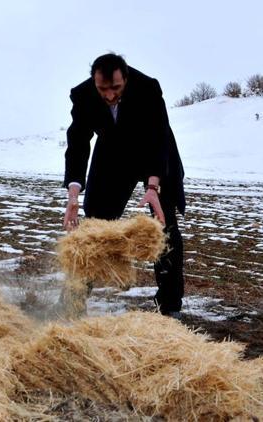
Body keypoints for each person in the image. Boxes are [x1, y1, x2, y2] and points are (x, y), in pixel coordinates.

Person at [62, 53, 186, 318]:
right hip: (113, 156)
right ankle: (71, 302)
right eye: (102, 89)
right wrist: (73, 194)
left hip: (154, 153)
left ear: (125, 78)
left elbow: (159, 137)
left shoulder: (148, 87)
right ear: (94, 81)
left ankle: (170, 307)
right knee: (95, 227)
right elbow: (78, 142)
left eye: (115, 88)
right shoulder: (83, 95)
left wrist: (153, 188)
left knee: (165, 227)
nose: (109, 95)